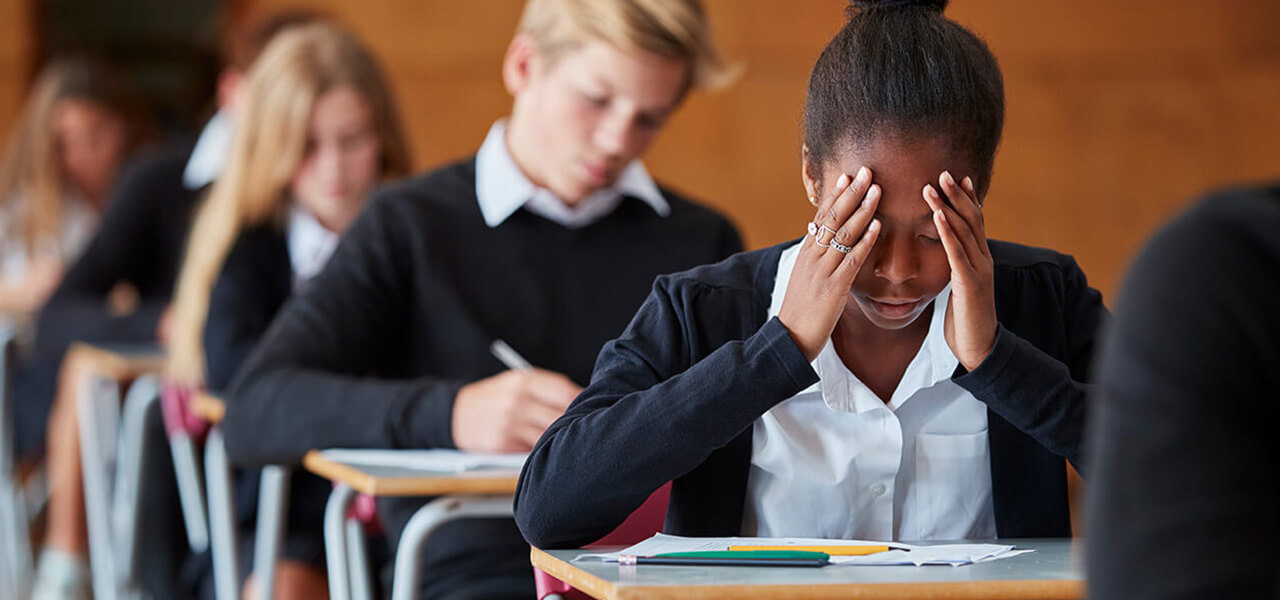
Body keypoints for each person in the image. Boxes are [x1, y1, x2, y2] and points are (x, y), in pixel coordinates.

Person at [515, 0, 1106, 550]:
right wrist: (779, 350)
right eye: (863, 224)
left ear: (980, 194)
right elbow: (549, 507)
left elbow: (1185, 481)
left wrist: (997, 362)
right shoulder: (702, 308)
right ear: (811, 176)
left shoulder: (1046, 299)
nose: (896, 271)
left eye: (931, 234)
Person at [223, 0, 742, 597]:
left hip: (659, 577)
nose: (617, 139)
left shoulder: (702, 242)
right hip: (477, 574)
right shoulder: (410, 226)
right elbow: (255, 407)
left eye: (649, 118)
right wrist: (453, 414)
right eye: (596, 100)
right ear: (523, 65)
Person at [22, 12, 320, 600]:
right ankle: (68, 567)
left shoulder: (339, 203)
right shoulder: (160, 180)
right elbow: (59, 312)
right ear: (234, 92)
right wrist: (159, 320)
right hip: (183, 423)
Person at [166, 22, 411, 600]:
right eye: (307, 145)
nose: (333, 167)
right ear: (272, 147)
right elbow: (246, 391)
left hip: (404, 503)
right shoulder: (246, 251)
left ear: (383, 136)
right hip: (284, 517)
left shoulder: (419, 234)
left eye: (352, 140)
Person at [1086, 187, 1280, 599]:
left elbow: (1090, 446)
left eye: (931, 236)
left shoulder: (1042, 288)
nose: (907, 270)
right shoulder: (1225, 273)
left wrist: (995, 359)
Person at [0, 58, 142, 322]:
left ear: (122, 128)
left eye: (97, 137)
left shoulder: (141, 195)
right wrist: (22, 291)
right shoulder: (22, 206)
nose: (84, 156)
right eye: (66, 141)